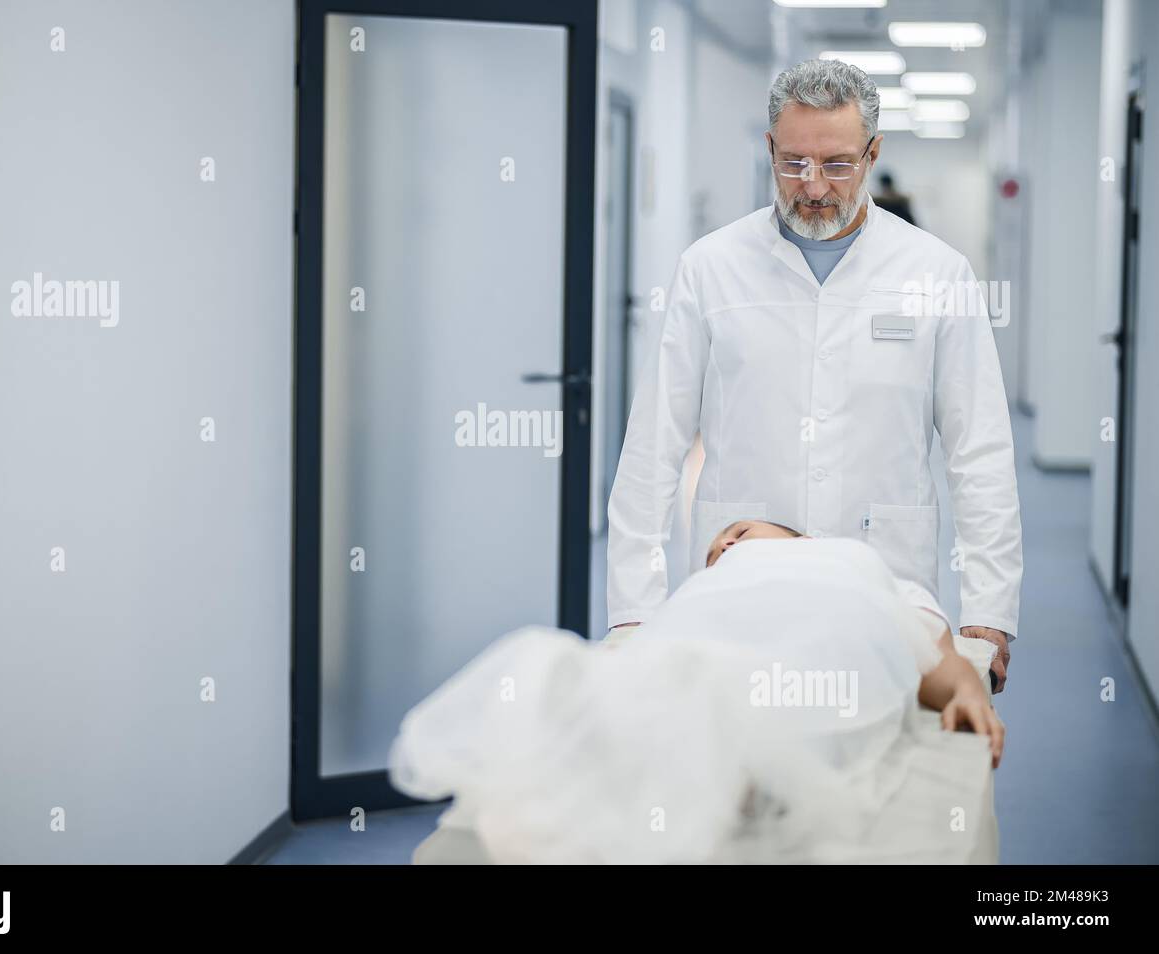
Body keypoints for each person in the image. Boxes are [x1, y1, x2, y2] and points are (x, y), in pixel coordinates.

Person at [606, 58, 1022, 692]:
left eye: (837, 164)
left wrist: (989, 612)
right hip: (739, 583)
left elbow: (980, 451)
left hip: (890, 587)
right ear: (770, 147)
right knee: (741, 769)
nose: (815, 186)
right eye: (794, 162)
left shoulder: (937, 274)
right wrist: (633, 609)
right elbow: (652, 445)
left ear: (873, 152)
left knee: (874, 769)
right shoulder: (711, 268)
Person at [389, 532, 1004, 864]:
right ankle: (676, 741)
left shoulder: (861, 567)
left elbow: (935, 654)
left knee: (789, 689)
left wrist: (967, 690)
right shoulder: (709, 588)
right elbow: (668, 631)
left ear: (796, 536)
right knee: (666, 671)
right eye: (717, 548)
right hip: (706, 639)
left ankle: (726, 758)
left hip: (822, 633)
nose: (727, 546)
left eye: (740, 533)